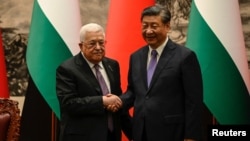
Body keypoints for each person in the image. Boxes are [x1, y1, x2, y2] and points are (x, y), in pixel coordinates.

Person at [120, 5, 203, 141]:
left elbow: (193, 101)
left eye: (154, 26)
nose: (148, 31)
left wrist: (191, 136)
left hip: (171, 132)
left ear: (167, 27)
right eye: (145, 26)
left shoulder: (185, 56)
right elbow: (133, 92)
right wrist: (117, 102)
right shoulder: (136, 57)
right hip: (141, 132)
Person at [56, 23, 132, 141]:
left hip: (111, 136)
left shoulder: (112, 65)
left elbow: (117, 100)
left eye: (101, 43)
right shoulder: (67, 69)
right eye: (92, 43)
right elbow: (69, 104)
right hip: (83, 137)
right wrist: (103, 101)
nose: (98, 47)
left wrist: (134, 133)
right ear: (81, 46)